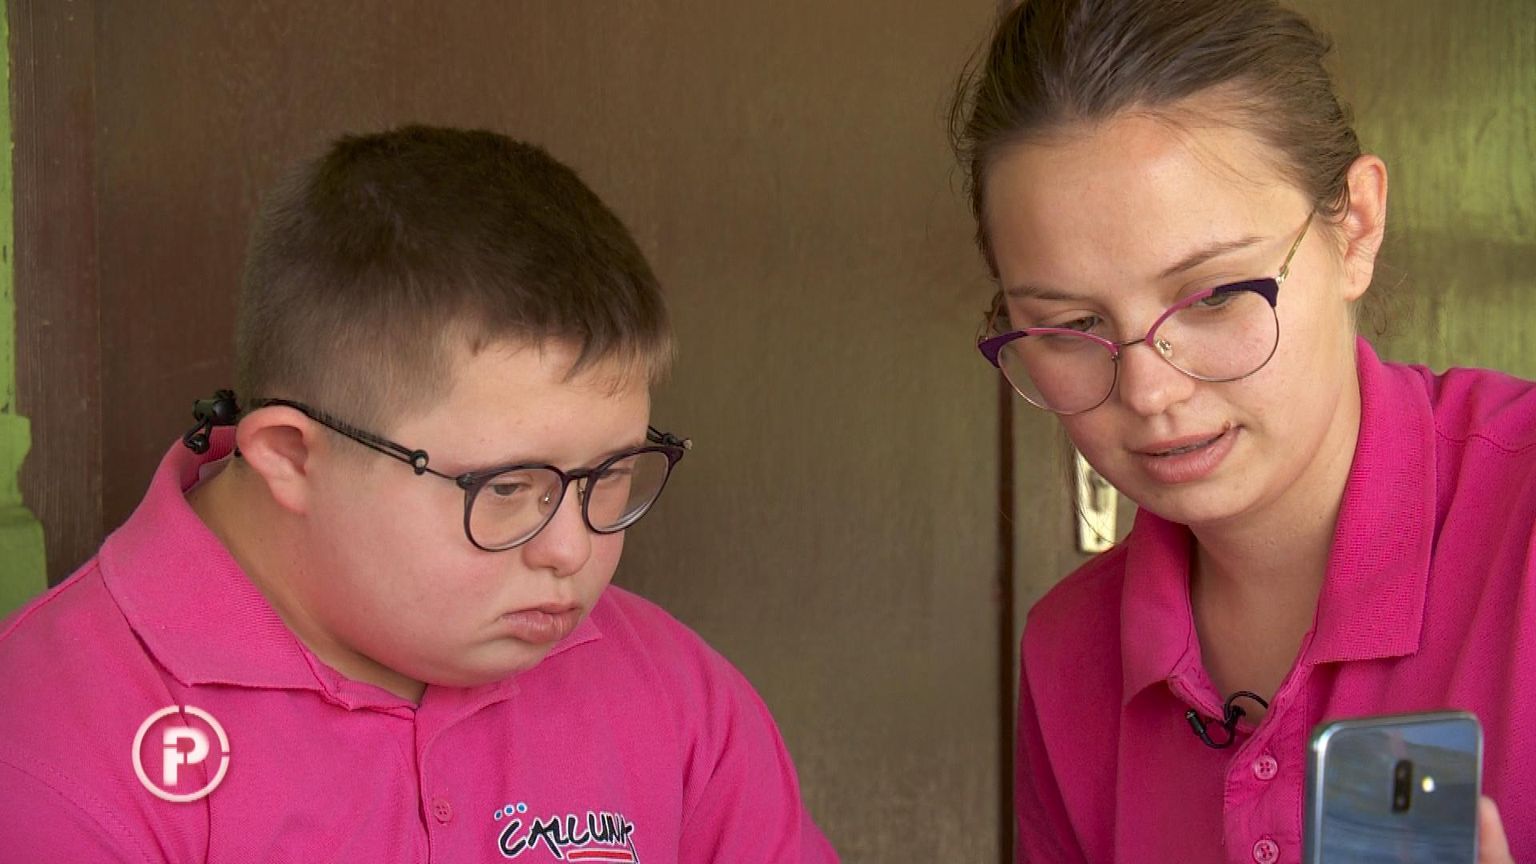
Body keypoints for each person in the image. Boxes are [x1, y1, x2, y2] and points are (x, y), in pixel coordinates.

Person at [0, 125, 837, 863]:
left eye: (609, 474)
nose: (573, 551)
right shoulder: (50, 746)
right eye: (508, 487)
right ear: (290, 456)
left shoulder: (674, 693)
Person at [952, 1, 1531, 860]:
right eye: (1072, 325)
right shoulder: (1070, 653)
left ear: (1355, 225)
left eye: (1216, 295)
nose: (1149, 391)